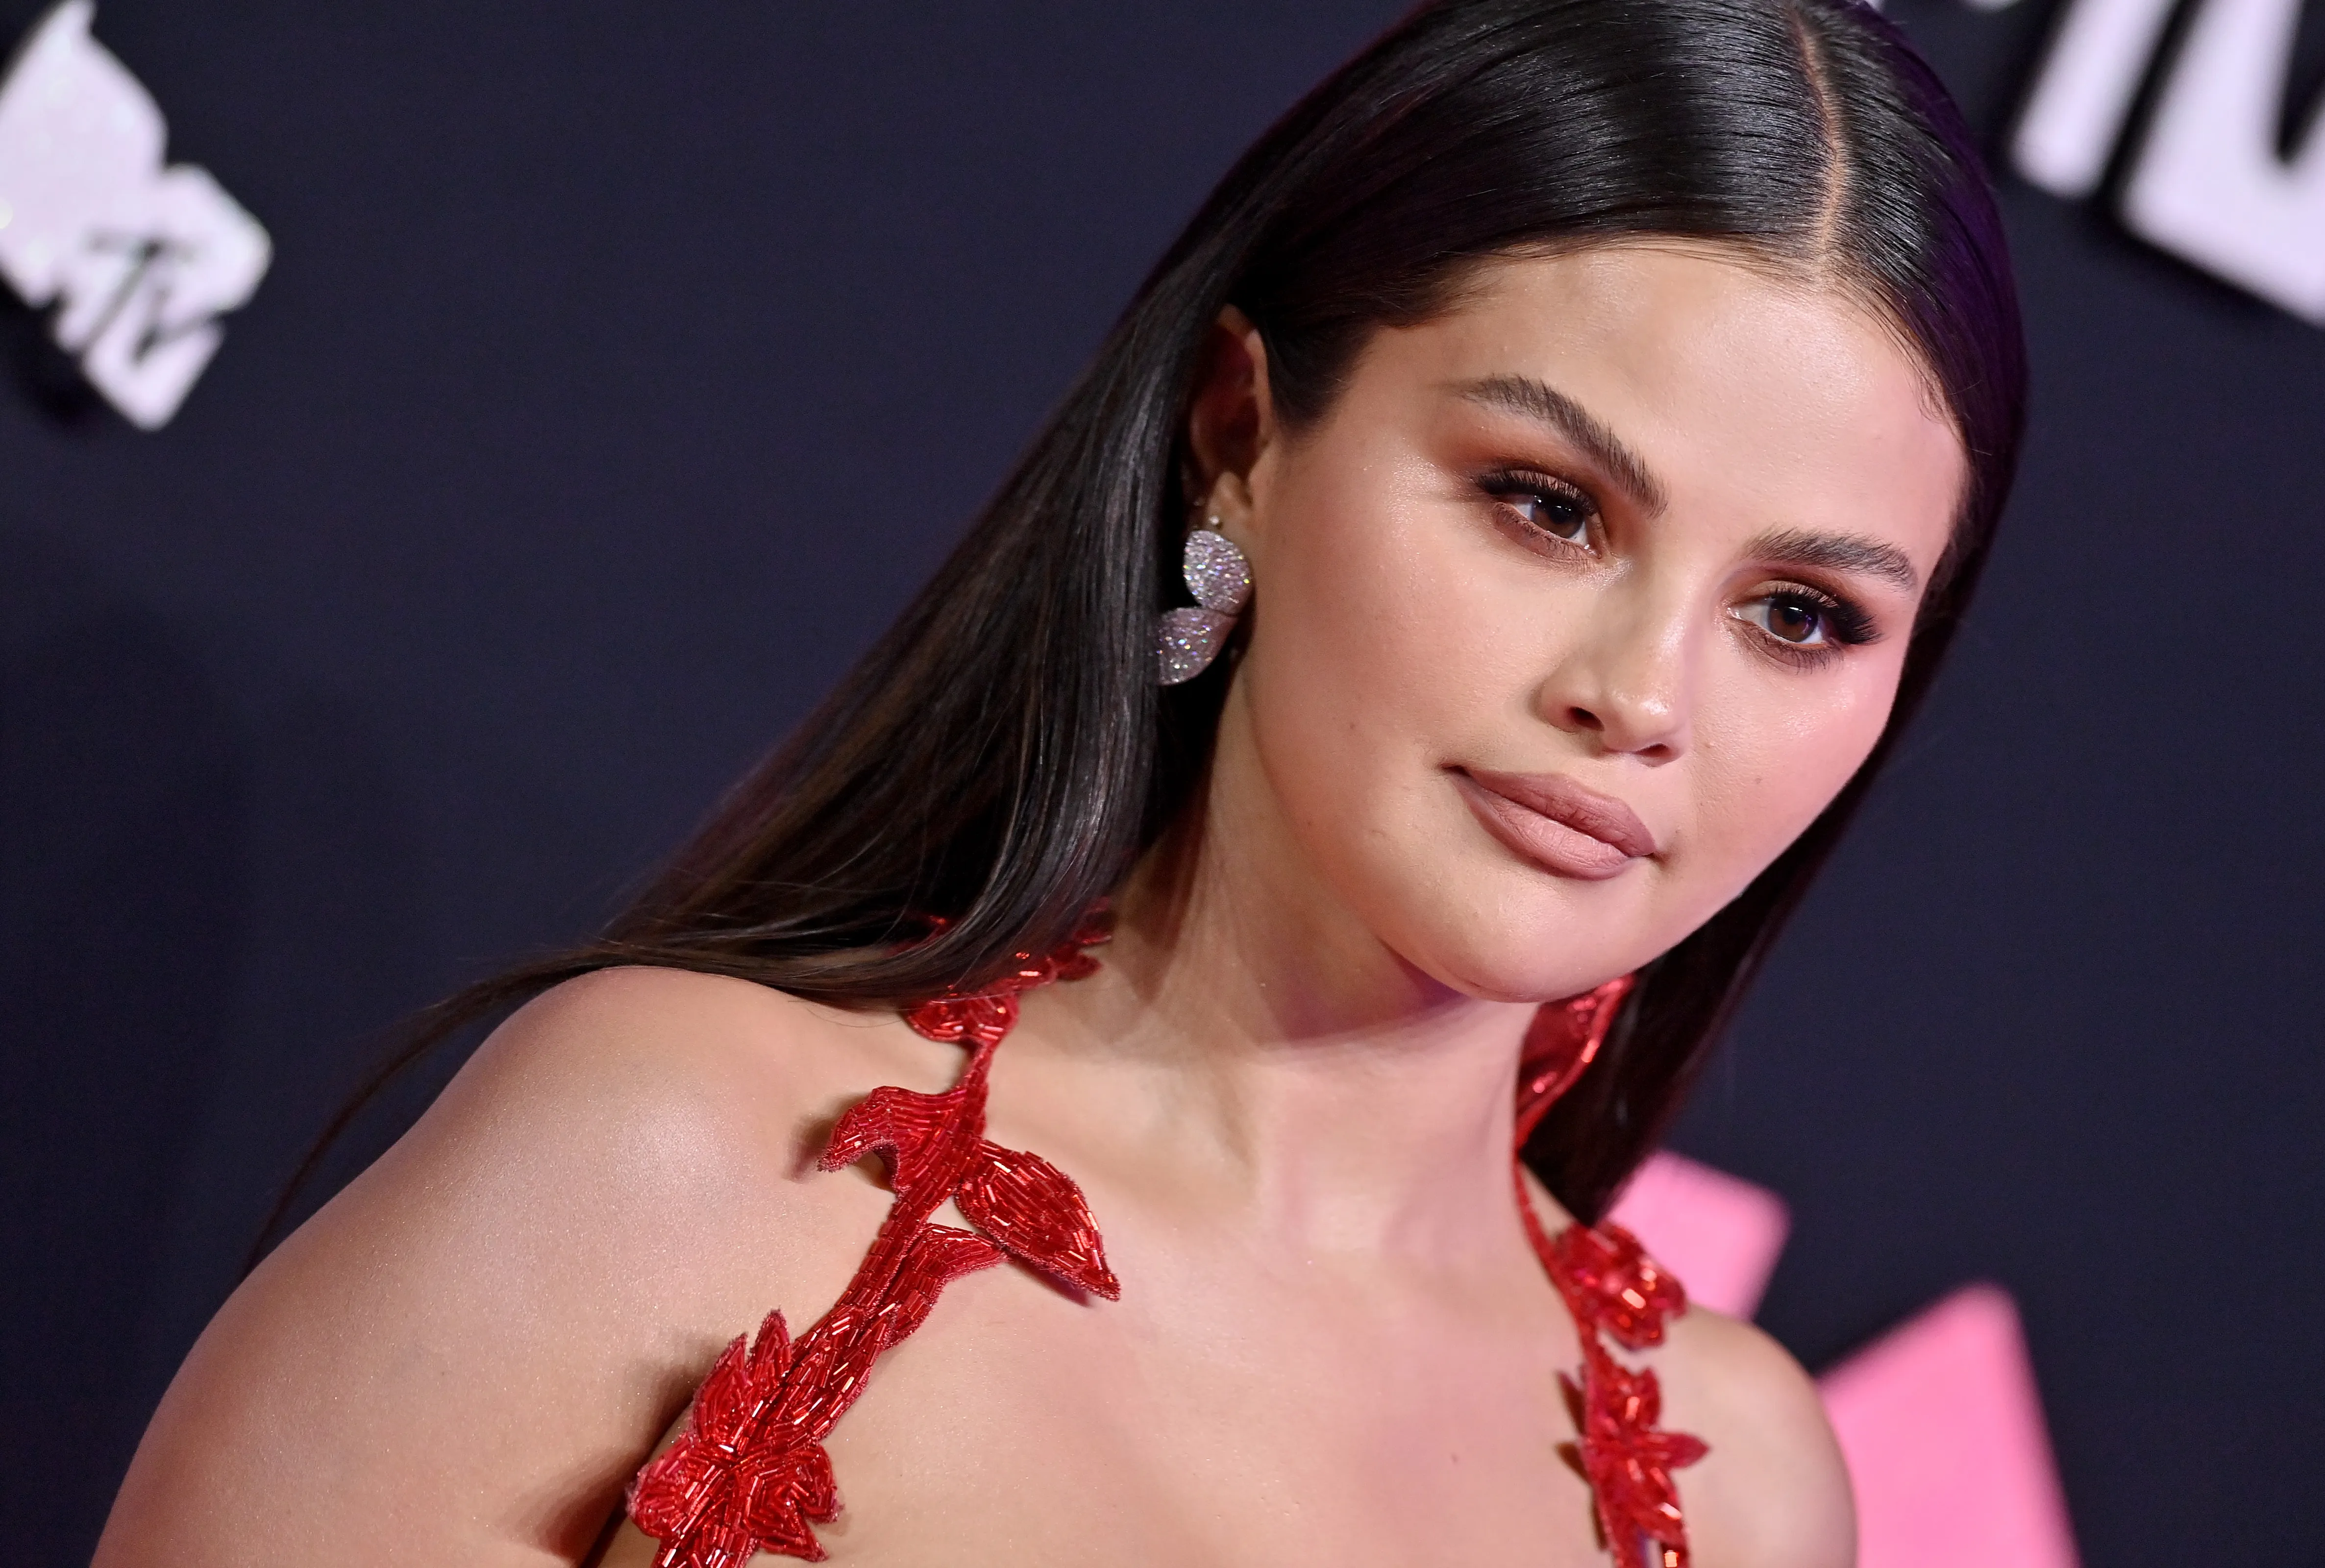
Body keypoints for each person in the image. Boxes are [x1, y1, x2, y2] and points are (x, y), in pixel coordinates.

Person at [95, 0, 2024, 1563]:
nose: (1641, 692)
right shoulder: (676, 1158)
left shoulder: (1737, 1490)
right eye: (1545, 503)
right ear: (1240, 435)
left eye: (1798, 614)